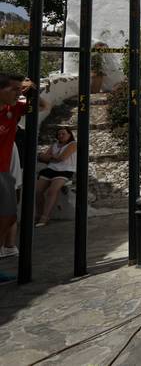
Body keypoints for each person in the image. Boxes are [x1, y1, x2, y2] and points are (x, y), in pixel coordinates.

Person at [0, 74, 36, 281]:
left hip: (3, 172)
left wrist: (32, 91)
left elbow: (40, 105)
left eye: (19, 89)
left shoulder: (12, 110)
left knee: (9, 216)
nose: (18, 93)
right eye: (14, 89)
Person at [34, 127, 77, 227]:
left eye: (63, 134)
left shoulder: (73, 144)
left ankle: (45, 217)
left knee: (52, 191)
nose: (60, 136)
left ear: (69, 135)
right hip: (50, 169)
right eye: (59, 134)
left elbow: (61, 158)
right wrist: (51, 157)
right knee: (38, 192)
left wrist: (49, 157)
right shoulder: (54, 145)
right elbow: (42, 158)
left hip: (65, 170)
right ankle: (39, 215)